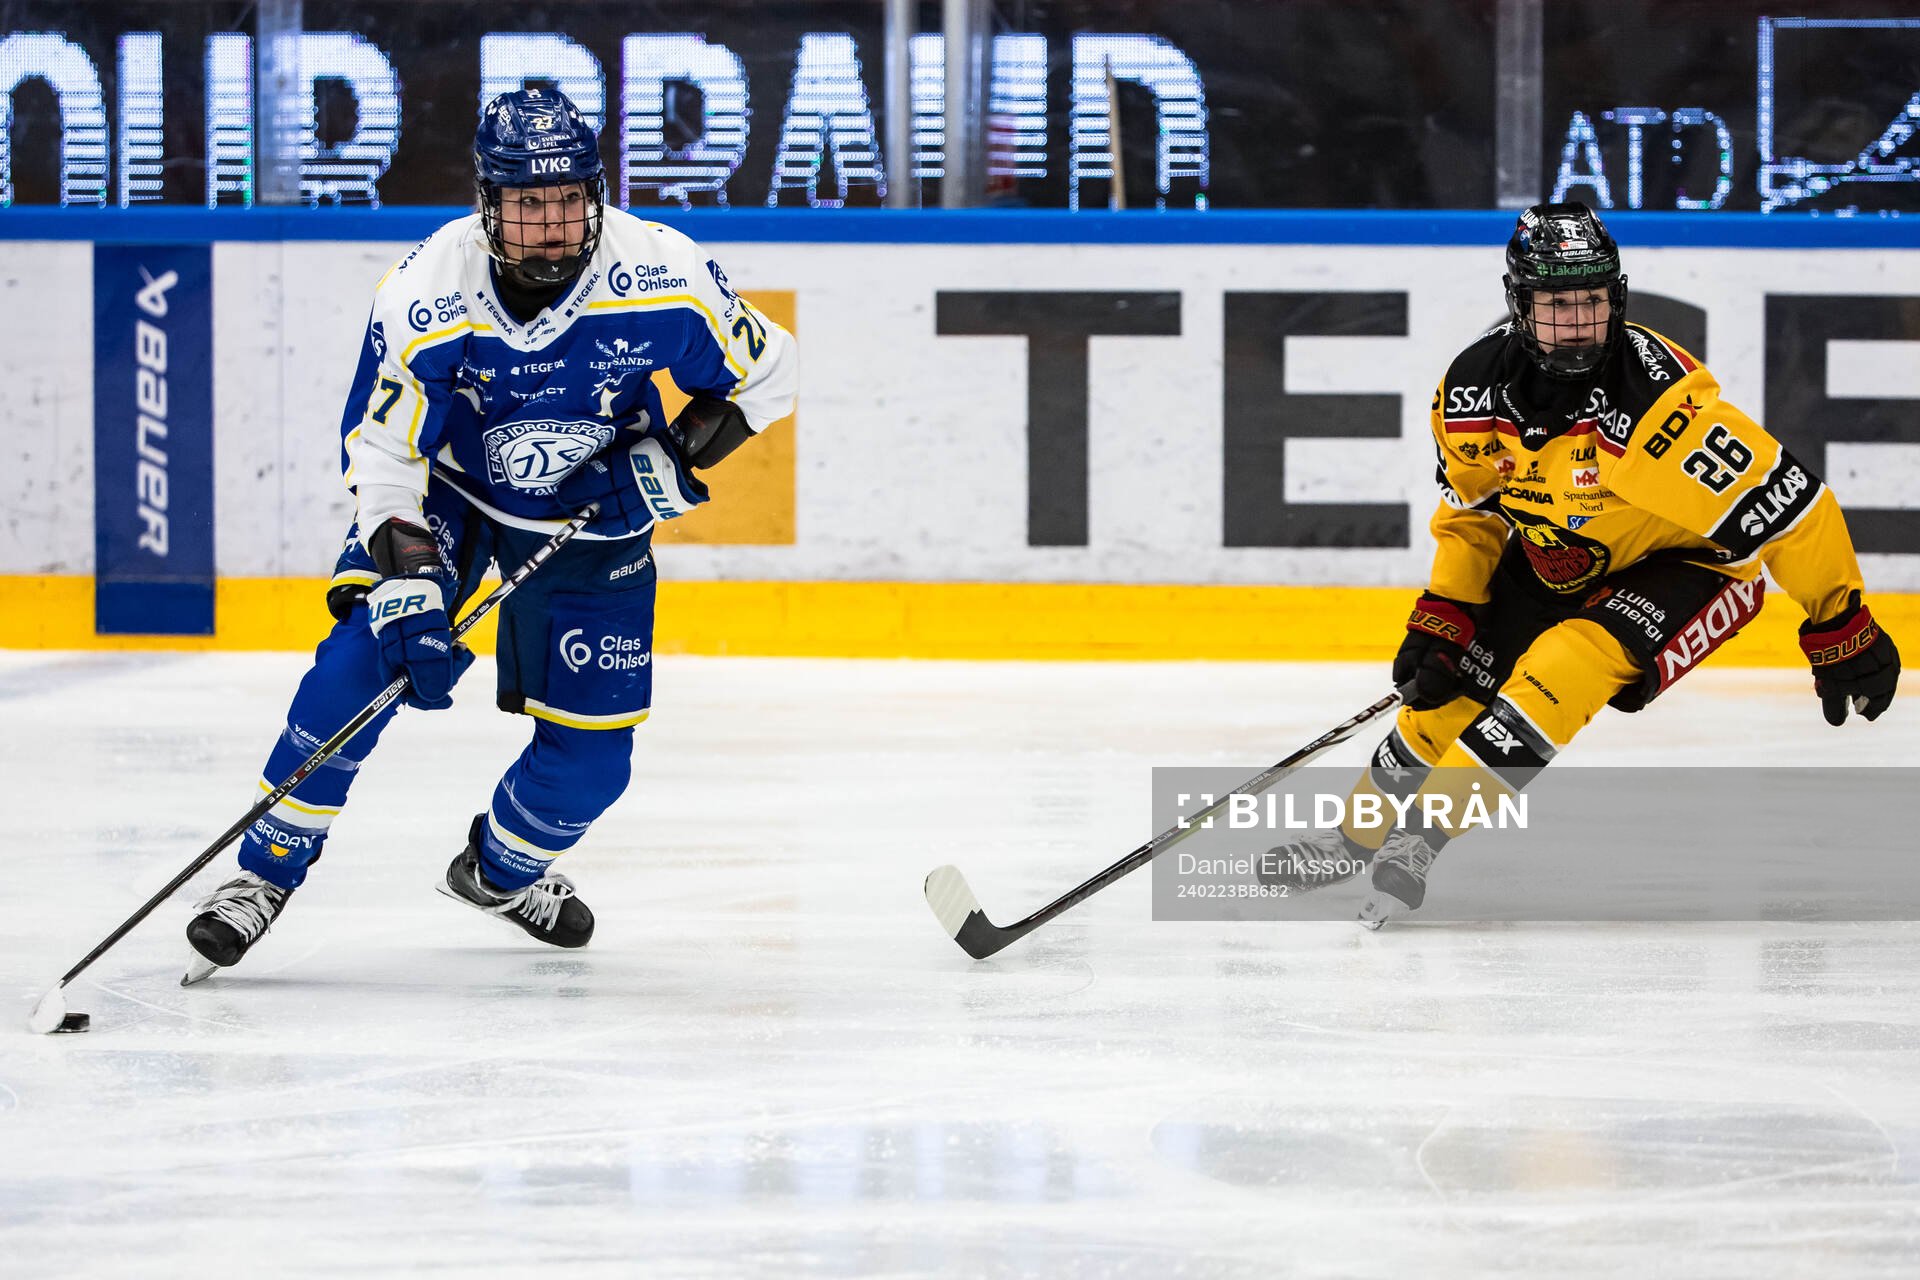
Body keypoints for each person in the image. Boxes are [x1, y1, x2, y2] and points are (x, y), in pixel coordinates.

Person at [184, 87, 797, 972]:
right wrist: (407, 587)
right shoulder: (427, 292)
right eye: (526, 206)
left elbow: (768, 371)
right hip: (454, 496)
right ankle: (261, 876)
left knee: (593, 767)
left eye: (567, 203)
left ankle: (500, 872)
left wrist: (666, 464)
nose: (550, 225)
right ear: (488, 204)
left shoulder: (661, 272)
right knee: (356, 671)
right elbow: (384, 452)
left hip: (595, 517)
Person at [1261, 200, 1899, 926]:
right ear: (1518, 303)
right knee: (1441, 701)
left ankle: (1421, 841)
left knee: (1565, 664)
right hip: (1557, 555)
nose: (1578, 324)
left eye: (1592, 302)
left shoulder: (1660, 409)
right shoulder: (1470, 391)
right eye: (1556, 305)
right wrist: (1447, 614)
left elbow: (1795, 508)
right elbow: (1470, 516)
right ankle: (1353, 840)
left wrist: (1841, 623)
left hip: (1694, 567)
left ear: (1616, 299)